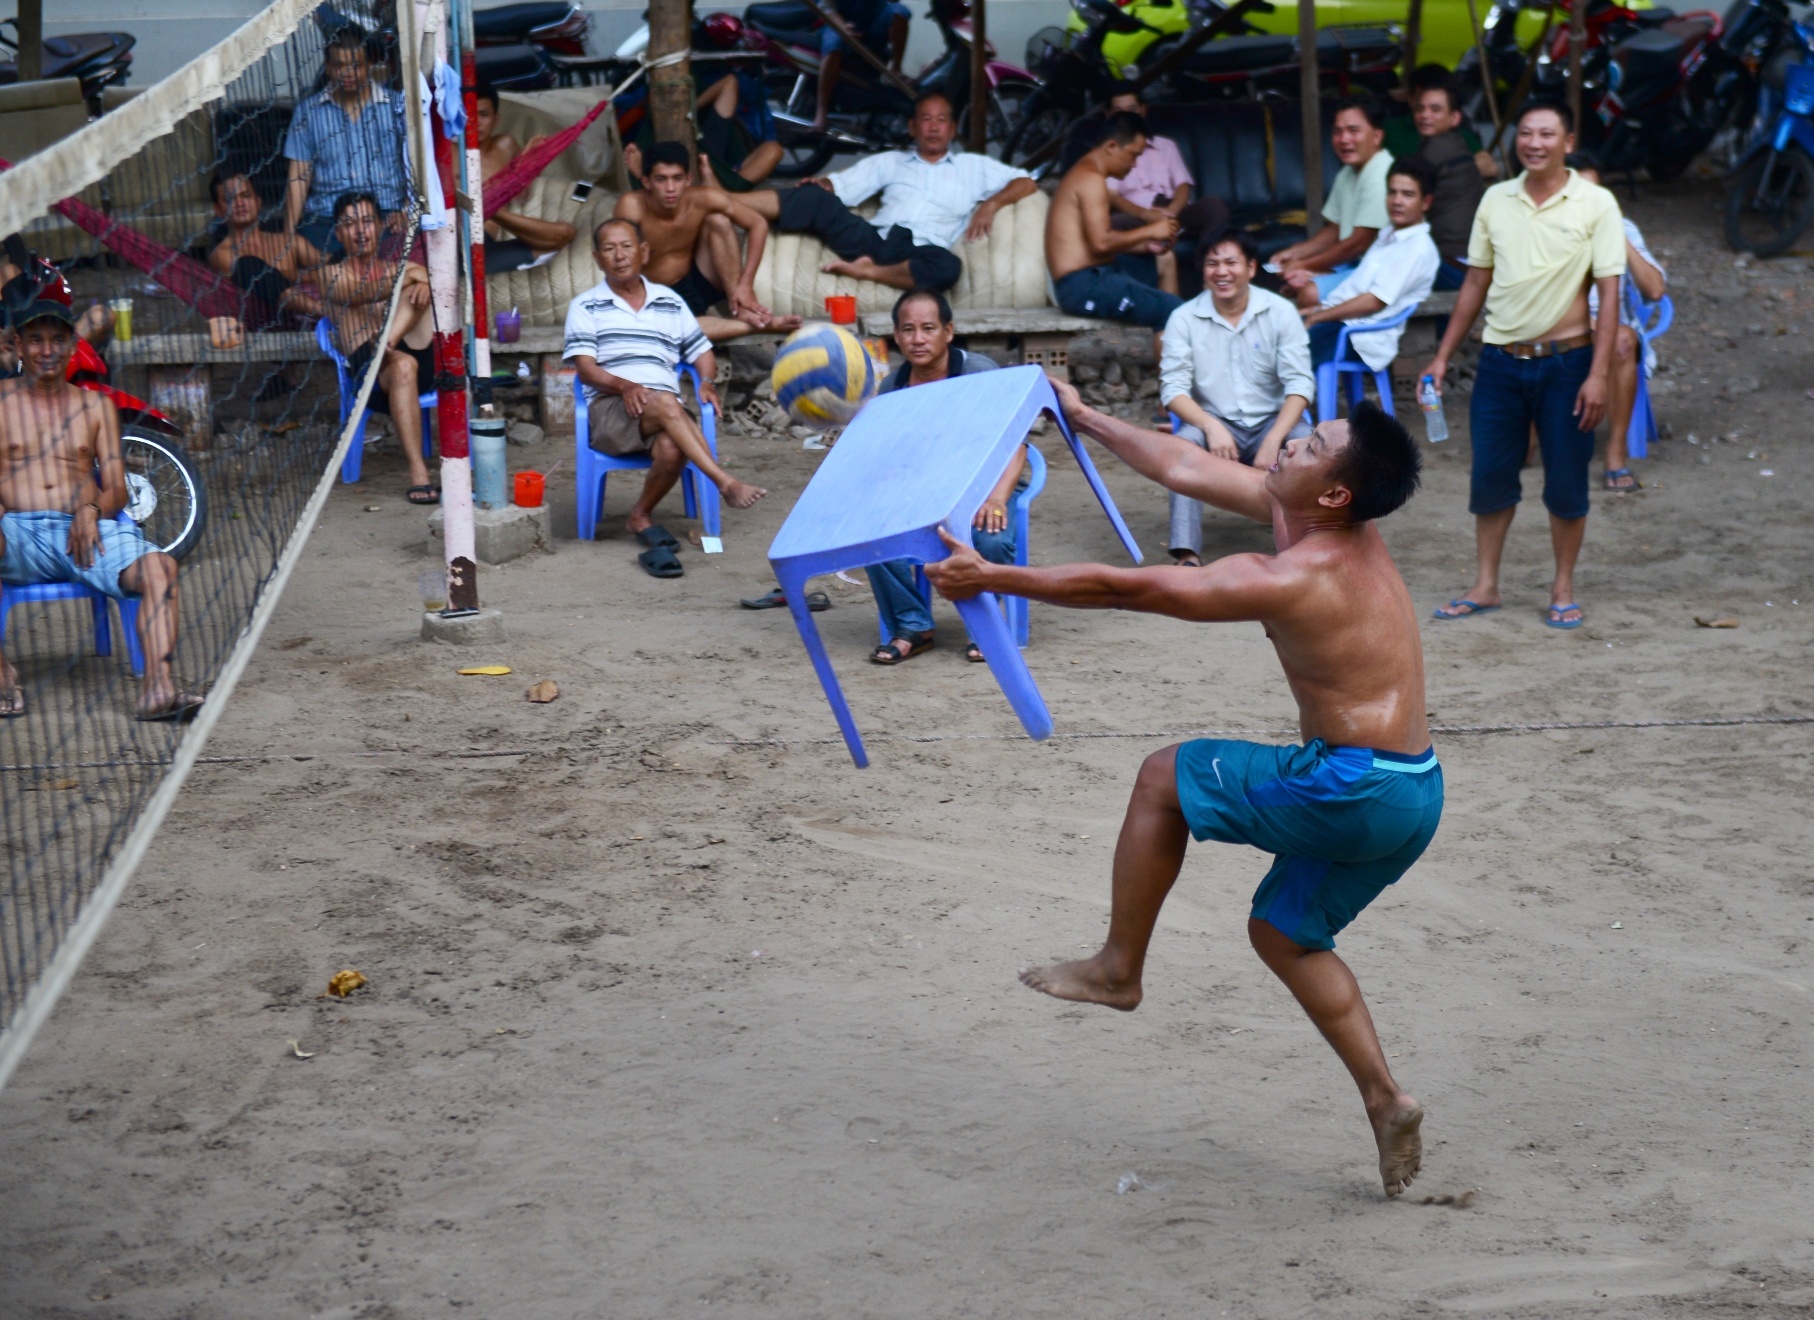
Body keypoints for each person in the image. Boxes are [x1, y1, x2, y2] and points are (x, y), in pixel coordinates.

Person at [924, 381, 1438, 1200]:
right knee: (1284, 933)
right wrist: (1084, 417)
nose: (1290, 444)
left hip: (1355, 786)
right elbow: (1185, 467)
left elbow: (1129, 590)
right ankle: (1386, 1100)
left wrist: (994, 577)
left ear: (1336, 493)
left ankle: (1118, 970)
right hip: (1415, 791)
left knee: (1164, 775)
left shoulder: (1297, 575)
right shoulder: (1324, 518)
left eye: (1309, 445)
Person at [1421, 102, 1624, 631]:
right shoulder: (1496, 198)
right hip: (1500, 362)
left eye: (1547, 134)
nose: (1534, 143)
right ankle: (1485, 585)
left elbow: (1610, 294)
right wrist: (1441, 357)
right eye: (1526, 133)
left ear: (1568, 142)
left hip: (1569, 363)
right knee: (1490, 477)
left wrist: (1598, 375)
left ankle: (1563, 588)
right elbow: (1475, 281)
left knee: (1566, 482)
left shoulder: (1596, 203)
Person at [0, 300, 200, 722]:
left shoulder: (96, 407)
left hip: (86, 536)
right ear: (17, 345)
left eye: (58, 339)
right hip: (15, 533)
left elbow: (117, 488)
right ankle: (3, 675)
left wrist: (92, 510)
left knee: (160, 567)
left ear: (73, 345)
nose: (47, 350)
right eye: (35, 340)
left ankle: (157, 689)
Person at [564, 217, 767, 576]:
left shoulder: (669, 301)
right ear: (597, 258)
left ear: (643, 252)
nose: (619, 256)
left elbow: (701, 351)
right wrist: (624, 386)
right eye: (609, 249)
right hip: (611, 409)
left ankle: (639, 514)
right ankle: (725, 482)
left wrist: (706, 381)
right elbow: (585, 369)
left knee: (672, 446)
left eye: (626, 247)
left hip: (660, 410)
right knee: (667, 403)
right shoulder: (586, 306)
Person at [866, 287, 1022, 665]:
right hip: (923, 492)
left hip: (985, 486)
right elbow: (892, 459)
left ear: (948, 332)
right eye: (908, 330)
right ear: (896, 336)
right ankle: (913, 625)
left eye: (928, 328)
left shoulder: (979, 374)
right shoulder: (892, 388)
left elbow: (1014, 446)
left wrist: (997, 498)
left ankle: (984, 627)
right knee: (871, 534)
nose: (917, 339)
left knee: (992, 537)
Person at [743, 93, 1035, 294]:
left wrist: (992, 204)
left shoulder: (973, 166)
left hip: (923, 248)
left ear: (953, 129)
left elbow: (1027, 182)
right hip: (875, 239)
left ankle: (867, 272)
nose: (934, 127)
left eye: (941, 120)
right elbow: (840, 186)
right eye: (926, 119)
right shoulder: (890, 161)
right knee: (812, 196)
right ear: (912, 127)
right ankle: (729, 200)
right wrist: (822, 185)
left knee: (947, 268)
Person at [1158, 227, 1313, 565]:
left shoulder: (1280, 312)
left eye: (1231, 262)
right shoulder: (1183, 318)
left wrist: (1273, 439)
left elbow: (1300, 384)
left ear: (1251, 268)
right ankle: (1187, 554)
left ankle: (1308, 547)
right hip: (1215, 421)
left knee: (1308, 444)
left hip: (1273, 422)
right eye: (1212, 263)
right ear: (1203, 270)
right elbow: (1173, 389)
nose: (1222, 272)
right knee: (1182, 446)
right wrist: (1210, 426)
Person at [316, 192, 440, 505]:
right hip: (369, 376)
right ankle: (418, 471)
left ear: (381, 226)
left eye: (368, 221)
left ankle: (388, 340)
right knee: (402, 365)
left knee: (421, 294)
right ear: (338, 233)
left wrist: (423, 284)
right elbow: (357, 294)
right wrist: (412, 278)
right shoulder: (330, 275)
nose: (360, 230)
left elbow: (440, 283)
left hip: (415, 360)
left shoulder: (405, 267)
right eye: (350, 223)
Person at [612, 141, 798, 343]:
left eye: (677, 178)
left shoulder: (703, 198)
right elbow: (618, 255)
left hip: (695, 282)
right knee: (668, 331)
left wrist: (746, 285)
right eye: (661, 179)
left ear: (688, 179)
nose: (670, 188)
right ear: (646, 182)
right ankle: (755, 326)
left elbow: (758, 223)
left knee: (718, 219)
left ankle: (741, 308)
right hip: (655, 293)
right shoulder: (631, 206)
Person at [1569, 153, 1667, 492]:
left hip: (1612, 334)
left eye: (1597, 195)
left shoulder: (1621, 227)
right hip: (1557, 327)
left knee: (1622, 340)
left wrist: (1616, 235)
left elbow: (1655, 289)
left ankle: (1615, 452)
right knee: (1524, 454)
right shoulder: (1545, 230)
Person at [1290, 157, 1441, 374]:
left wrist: (1318, 316)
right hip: (1343, 324)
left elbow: (1373, 302)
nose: (1396, 201)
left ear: (1426, 202)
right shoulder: (1388, 236)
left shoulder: (1417, 248)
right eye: (1392, 192)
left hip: (1360, 336)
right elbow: (1356, 289)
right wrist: (1315, 310)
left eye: (1407, 195)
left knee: (1281, 354)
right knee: (1273, 332)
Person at [1047, 112, 1183, 333]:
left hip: (1096, 273)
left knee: (1164, 259)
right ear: (1111, 146)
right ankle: (1171, 345)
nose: (1134, 164)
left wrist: (1146, 246)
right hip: (1082, 286)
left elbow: (1092, 244)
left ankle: (1172, 336)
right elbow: (1101, 243)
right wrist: (1151, 231)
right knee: (1174, 311)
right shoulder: (1090, 179)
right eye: (1133, 155)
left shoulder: (1088, 174)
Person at [283, 29, 410, 256]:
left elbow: (417, 167)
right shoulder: (308, 113)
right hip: (326, 221)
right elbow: (298, 177)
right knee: (314, 261)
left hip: (386, 216)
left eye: (356, 66)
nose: (347, 73)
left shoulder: (396, 107)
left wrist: (407, 211)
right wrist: (288, 237)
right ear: (327, 67)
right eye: (339, 66)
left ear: (370, 65)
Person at [1101, 87, 1228, 297]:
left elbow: (1183, 185)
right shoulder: (1109, 150)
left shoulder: (1166, 145)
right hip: (1136, 217)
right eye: (1119, 112)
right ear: (1108, 115)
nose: (1126, 117)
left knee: (1213, 207)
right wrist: (1146, 215)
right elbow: (1112, 196)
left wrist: (1172, 211)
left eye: (1132, 110)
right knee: (1112, 224)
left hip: (1174, 213)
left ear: (1143, 110)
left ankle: (1210, 275)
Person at [1271, 98, 1391, 289]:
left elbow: (1358, 243)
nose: (1344, 139)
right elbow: (1335, 230)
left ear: (1377, 137)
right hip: (1357, 264)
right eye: (1337, 132)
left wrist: (1304, 265)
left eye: (1353, 131)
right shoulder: (1347, 173)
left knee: (1308, 291)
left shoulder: (1381, 173)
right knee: (1296, 282)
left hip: (1382, 272)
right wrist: (1295, 253)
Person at [472, 85, 578, 274]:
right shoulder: (449, 153)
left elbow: (521, 196)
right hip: (456, 239)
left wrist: (526, 161)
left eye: (483, 115)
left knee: (564, 234)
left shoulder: (505, 145)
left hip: (487, 242)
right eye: (470, 114)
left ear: (496, 119)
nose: (476, 122)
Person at [207, 172, 327, 325]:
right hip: (265, 321)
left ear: (258, 201)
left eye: (246, 196)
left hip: (308, 321)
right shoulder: (222, 254)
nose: (240, 203)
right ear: (218, 210)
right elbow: (265, 278)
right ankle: (323, 311)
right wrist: (311, 275)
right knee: (248, 265)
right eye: (230, 199)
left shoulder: (289, 242)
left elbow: (330, 264)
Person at [1403, 75, 1487, 291]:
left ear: (1455, 118)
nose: (1425, 115)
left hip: (1453, 260)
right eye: (1420, 109)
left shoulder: (1436, 149)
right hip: (1466, 257)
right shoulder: (1455, 142)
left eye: (1435, 109)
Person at [813, 0, 911, 129]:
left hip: (871, 24)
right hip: (838, 23)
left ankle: (896, 70)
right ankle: (821, 112)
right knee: (834, 46)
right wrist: (843, 27)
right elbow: (826, 7)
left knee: (900, 12)